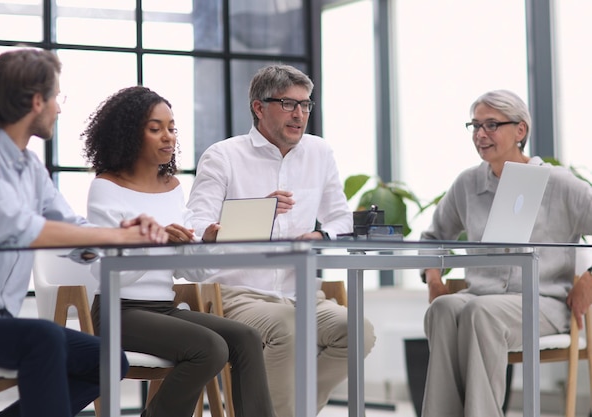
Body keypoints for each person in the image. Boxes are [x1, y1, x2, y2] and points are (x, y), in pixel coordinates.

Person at [0, 48, 169, 417]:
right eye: (57, 98)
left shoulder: (28, 166)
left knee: (108, 361)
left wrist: (123, 232)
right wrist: (114, 238)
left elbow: (74, 229)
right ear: (37, 101)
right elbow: (13, 228)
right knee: (42, 340)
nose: (59, 109)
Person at [186, 64, 377, 417]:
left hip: (302, 293)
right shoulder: (223, 156)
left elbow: (341, 220)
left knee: (358, 331)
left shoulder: (320, 152)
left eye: (306, 105)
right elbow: (197, 227)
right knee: (287, 329)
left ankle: (293, 409)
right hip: (236, 294)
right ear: (259, 107)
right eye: (289, 104)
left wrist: (321, 235)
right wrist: (259, 212)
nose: (300, 114)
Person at [82, 85, 276, 417]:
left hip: (163, 308)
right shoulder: (106, 187)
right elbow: (104, 272)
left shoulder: (172, 188)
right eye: (155, 129)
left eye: (171, 128)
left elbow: (195, 273)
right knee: (209, 347)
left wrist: (205, 245)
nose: (168, 137)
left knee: (245, 337)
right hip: (118, 312)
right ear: (129, 134)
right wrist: (154, 244)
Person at [419, 89, 592, 417]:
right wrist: (433, 277)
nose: (480, 135)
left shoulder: (558, 184)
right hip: (480, 297)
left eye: (491, 125)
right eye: (475, 126)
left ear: (521, 130)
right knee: (443, 308)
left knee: (479, 313)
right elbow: (433, 237)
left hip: (543, 304)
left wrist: (589, 279)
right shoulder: (467, 184)